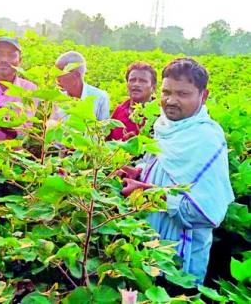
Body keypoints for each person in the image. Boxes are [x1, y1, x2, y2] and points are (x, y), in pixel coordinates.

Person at [121, 58, 234, 283]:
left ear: (203, 95)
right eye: (166, 92)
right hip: (147, 244)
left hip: (179, 259)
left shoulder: (206, 139)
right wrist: (138, 172)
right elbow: (166, 167)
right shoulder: (165, 126)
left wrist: (147, 191)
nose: (171, 101)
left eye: (183, 94)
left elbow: (206, 212)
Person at [54, 51, 109, 121]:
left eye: (60, 74)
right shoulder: (57, 97)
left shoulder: (100, 98)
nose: (56, 78)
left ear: (76, 76)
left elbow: (103, 129)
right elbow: (52, 125)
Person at [107, 62, 156, 140]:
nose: (136, 84)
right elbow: (107, 143)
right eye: (132, 80)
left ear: (153, 87)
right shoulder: (120, 110)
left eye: (143, 81)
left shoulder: (159, 115)